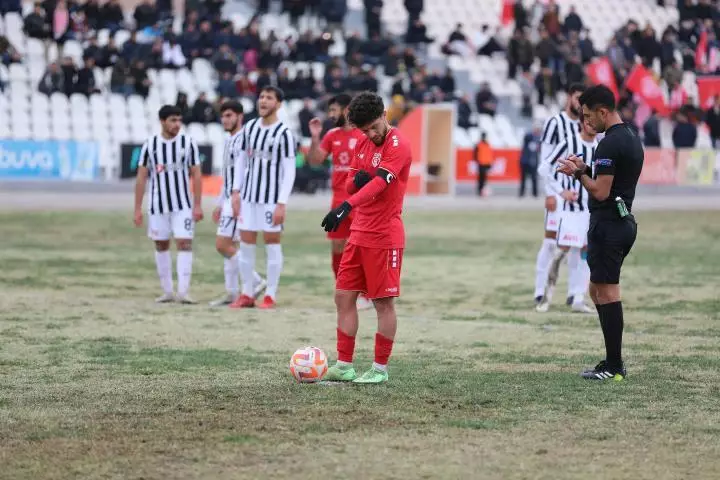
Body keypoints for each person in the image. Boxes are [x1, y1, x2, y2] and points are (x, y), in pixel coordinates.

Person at [320, 92, 412, 384]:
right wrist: (357, 185)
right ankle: (344, 365)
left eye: (374, 127)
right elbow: (350, 182)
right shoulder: (361, 141)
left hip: (384, 236)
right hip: (358, 233)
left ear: (385, 114)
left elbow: (379, 185)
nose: (370, 134)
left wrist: (347, 204)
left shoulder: (399, 144)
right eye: (364, 130)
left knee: (383, 303)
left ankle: (379, 369)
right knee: (343, 297)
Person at [557, 85, 643, 381]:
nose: (586, 122)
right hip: (621, 220)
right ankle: (612, 360)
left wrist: (579, 173)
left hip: (609, 225)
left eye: (588, 116)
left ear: (603, 112)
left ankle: (614, 366)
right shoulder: (631, 136)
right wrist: (585, 169)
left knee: (607, 292)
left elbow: (601, 190)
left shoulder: (608, 143)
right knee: (596, 290)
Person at [229, 86, 296, 310]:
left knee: (272, 244)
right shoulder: (249, 128)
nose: (263, 101)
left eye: (269, 98)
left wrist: (282, 203)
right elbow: (240, 161)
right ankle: (247, 293)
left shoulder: (284, 133)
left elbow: (289, 170)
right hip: (248, 197)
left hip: (271, 199)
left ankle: (270, 295)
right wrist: (235, 191)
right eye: (261, 97)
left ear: (278, 104)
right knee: (246, 244)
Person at [307, 93, 373, 310]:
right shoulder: (331, 134)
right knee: (337, 246)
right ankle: (344, 289)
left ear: (346, 111)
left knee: (359, 247)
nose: (330, 114)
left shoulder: (363, 134)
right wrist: (315, 137)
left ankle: (366, 294)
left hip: (359, 199)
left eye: (334, 110)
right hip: (337, 199)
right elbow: (315, 161)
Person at [133, 105, 203, 303]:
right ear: (162, 121)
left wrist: (197, 205)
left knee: (184, 242)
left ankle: (183, 292)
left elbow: (196, 174)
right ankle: (167, 291)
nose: (177, 124)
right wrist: (137, 209)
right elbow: (141, 178)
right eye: (173, 120)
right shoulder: (150, 144)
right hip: (158, 205)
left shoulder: (188, 143)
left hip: (183, 205)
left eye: (179, 120)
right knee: (161, 244)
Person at [536, 114, 597, 314]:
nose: (592, 124)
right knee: (560, 252)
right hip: (570, 212)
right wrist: (560, 191)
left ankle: (578, 298)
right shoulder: (569, 143)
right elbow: (544, 168)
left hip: (590, 212)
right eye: (588, 120)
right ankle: (546, 297)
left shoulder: (599, 148)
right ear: (582, 122)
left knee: (586, 254)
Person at [209, 100, 266, 307]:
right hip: (227, 199)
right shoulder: (229, 140)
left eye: (229, 116)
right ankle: (232, 292)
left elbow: (247, 172)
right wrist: (219, 202)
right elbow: (227, 175)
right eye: (223, 116)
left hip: (238, 199)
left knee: (222, 245)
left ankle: (256, 281)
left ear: (240, 117)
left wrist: (237, 197)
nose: (225, 120)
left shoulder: (244, 139)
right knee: (229, 246)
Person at [534, 83, 586, 307]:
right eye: (577, 98)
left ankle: (575, 294)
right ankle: (539, 290)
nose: (580, 104)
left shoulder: (588, 125)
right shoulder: (555, 123)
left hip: (578, 198)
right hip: (558, 194)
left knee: (578, 247)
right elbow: (545, 159)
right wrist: (550, 192)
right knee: (549, 243)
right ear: (569, 98)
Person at [518, 125, 540, 197]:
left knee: (534, 178)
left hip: (533, 162)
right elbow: (527, 137)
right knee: (523, 178)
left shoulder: (538, 139)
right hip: (525, 161)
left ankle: (535, 193)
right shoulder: (529, 137)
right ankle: (522, 193)